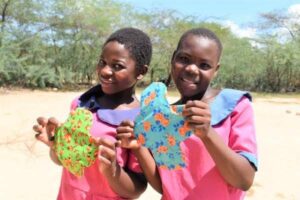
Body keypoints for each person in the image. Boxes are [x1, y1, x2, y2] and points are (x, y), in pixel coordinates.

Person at [117, 27, 258, 200]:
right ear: (173, 59)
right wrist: (138, 148)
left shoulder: (234, 106)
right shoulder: (160, 116)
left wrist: (208, 134)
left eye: (204, 65)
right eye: (184, 59)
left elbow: (244, 180)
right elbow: (166, 186)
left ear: (216, 69)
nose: (192, 69)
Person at [32, 27, 152, 200]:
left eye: (117, 66)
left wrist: (112, 170)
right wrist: (55, 146)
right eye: (102, 62)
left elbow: (137, 189)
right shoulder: (81, 104)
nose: (104, 71)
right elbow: (64, 162)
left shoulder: (140, 121)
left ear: (141, 71)